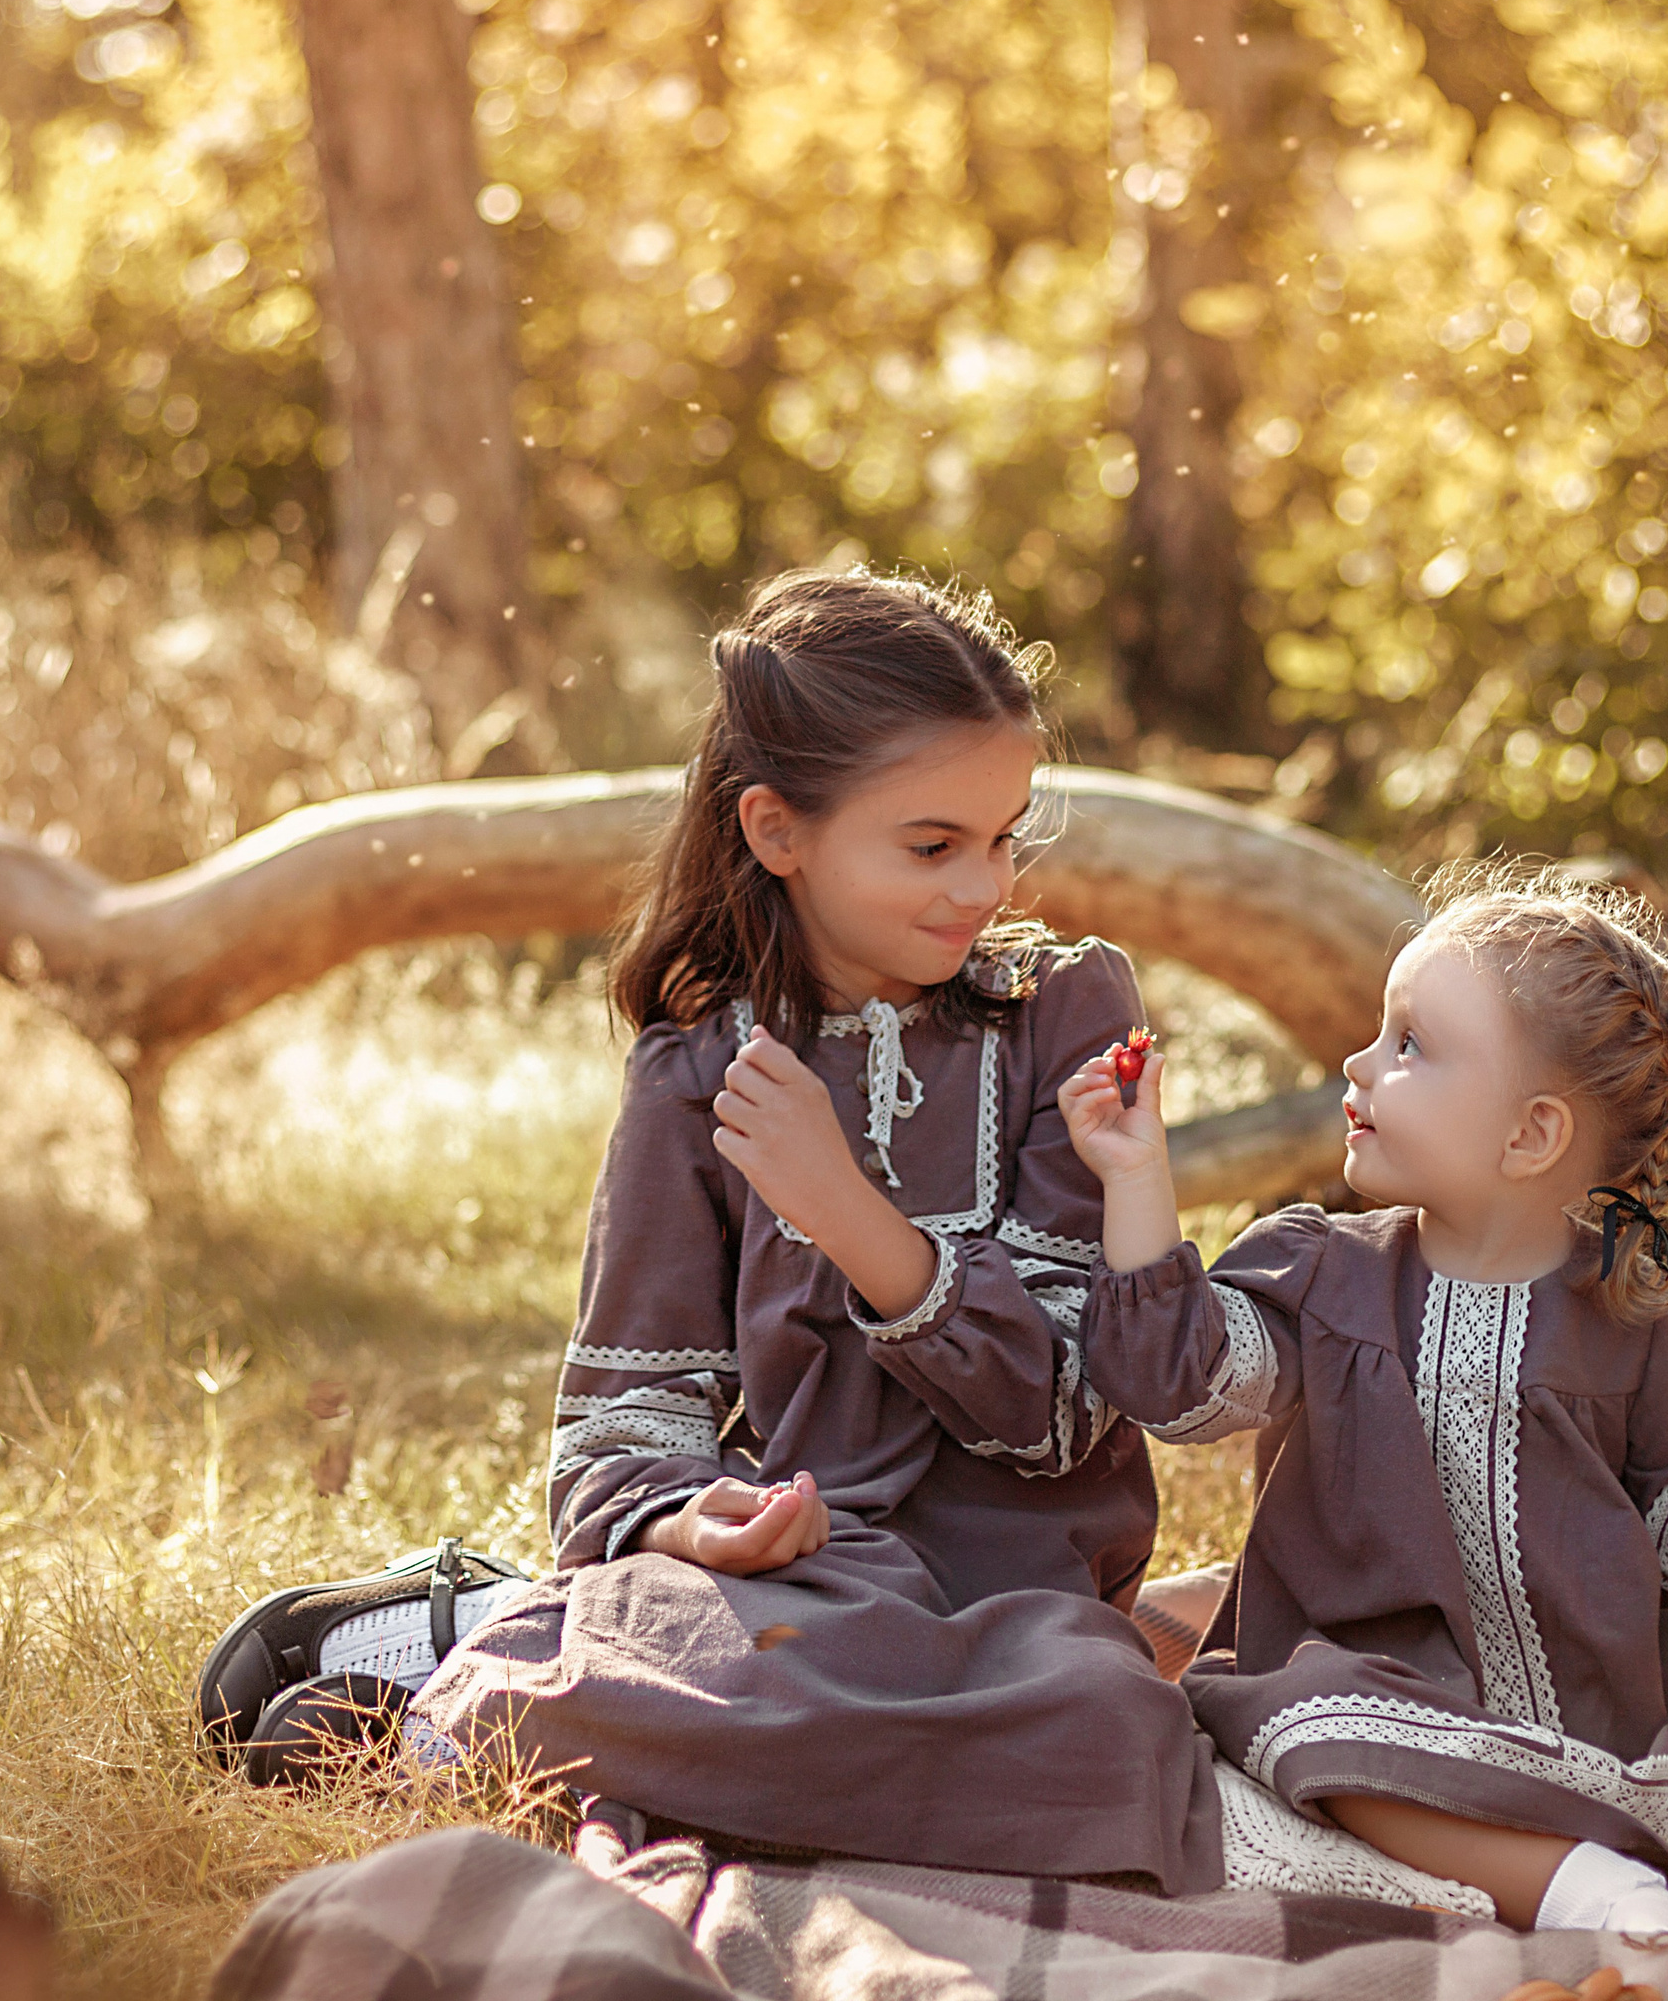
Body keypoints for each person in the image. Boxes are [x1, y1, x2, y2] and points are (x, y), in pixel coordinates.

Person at [199, 568, 1221, 1887]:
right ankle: (509, 1674)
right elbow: (623, 1424)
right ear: (777, 830)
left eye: (1004, 836)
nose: (984, 884)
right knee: (829, 1668)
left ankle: (492, 1670)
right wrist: (695, 1526)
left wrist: (853, 1217)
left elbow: (1071, 1410)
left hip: (1027, 1609)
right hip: (797, 1599)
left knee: (1111, 1745)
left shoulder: (1070, 1016)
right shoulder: (694, 1070)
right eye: (932, 845)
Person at [1067, 864, 1668, 1936]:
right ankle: (1577, 1883)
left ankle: (1630, 1829)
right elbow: (1181, 1380)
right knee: (1299, 1722)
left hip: (1597, 1692)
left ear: (1529, 1136)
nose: (1357, 1063)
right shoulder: (1324, 1276)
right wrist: (1136, 1176)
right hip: (1373, 1692)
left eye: (1408, 1043)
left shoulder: (1637, 1307)